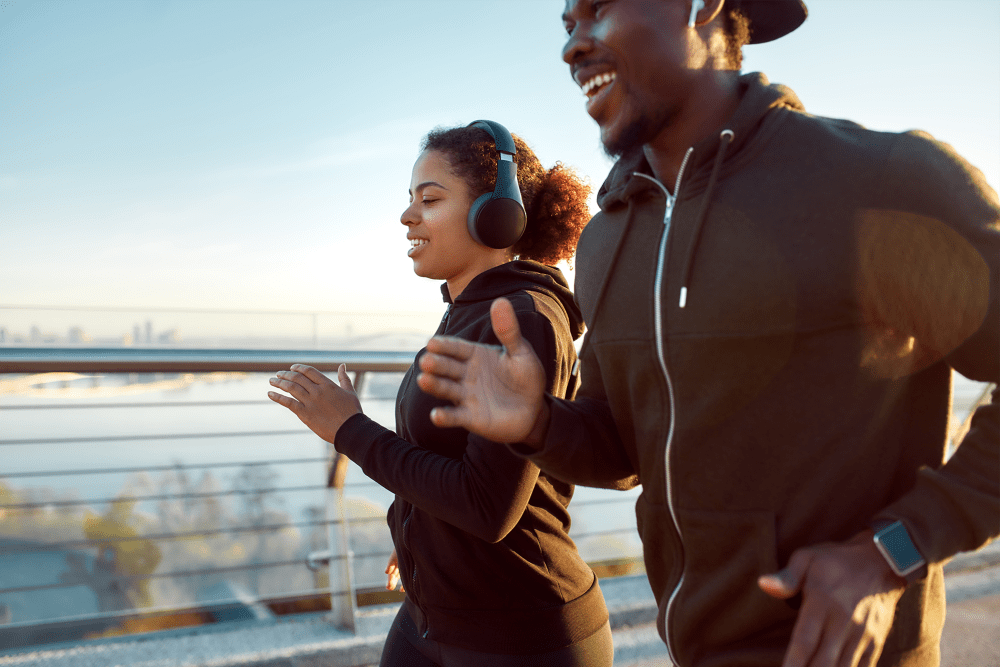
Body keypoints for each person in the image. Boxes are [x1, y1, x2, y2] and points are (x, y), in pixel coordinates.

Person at [413, 2, 1000, 667]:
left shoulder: (881, 180)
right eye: (567, 23)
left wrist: (894, 549)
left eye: (598, 9)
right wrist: (538, 422)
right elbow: (622, 447)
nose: (573, 45)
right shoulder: (608, 236)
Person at [267, 121, 615, 667]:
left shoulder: (519, 317)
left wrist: (348, 430)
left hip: (522, 635)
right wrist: (419, 536)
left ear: (495, 213)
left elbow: (488, 507)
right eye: (410, 200)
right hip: (433, 616)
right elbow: (452, 457)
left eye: (429, 199)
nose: (408, 216)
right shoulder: (467, 311)